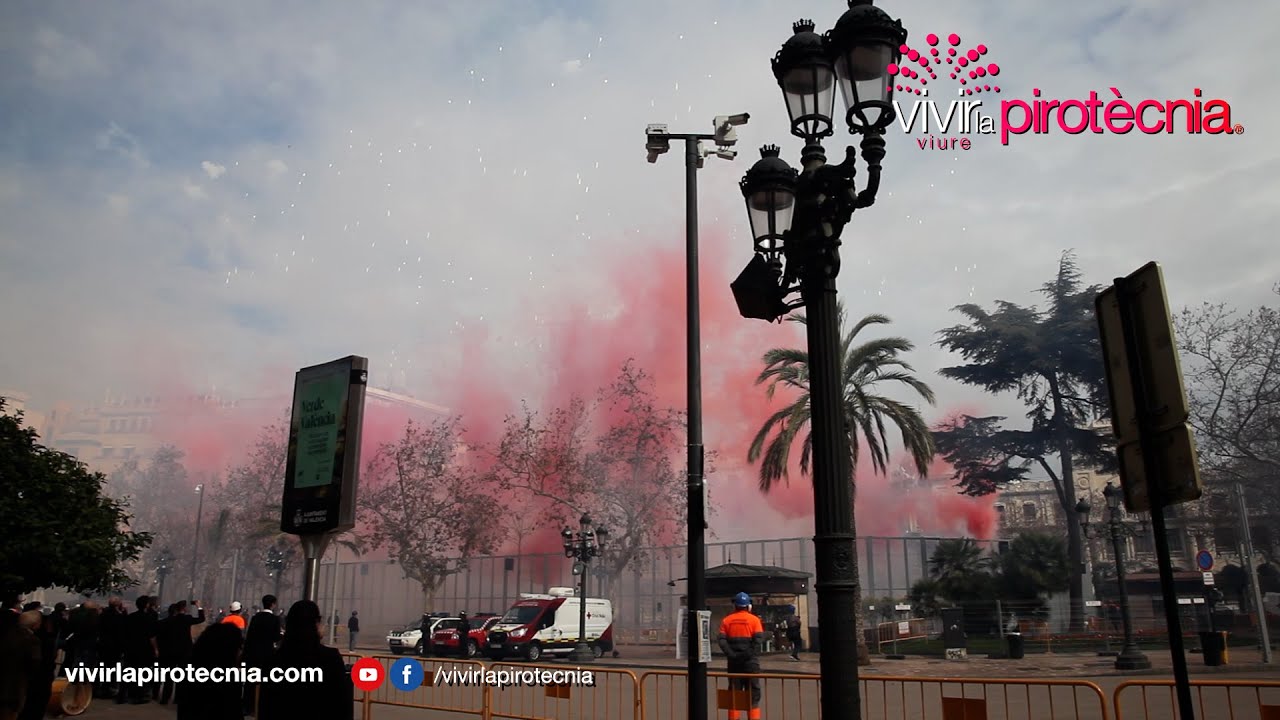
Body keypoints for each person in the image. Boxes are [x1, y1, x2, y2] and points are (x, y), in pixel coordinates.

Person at [257, 600, 353, 720]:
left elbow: (266, 707)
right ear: (316, 623)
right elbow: (341, 705)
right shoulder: (330, 658)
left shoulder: (274, 660)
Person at [176, 622, 244, 720]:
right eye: (238, 648)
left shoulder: (188, 670)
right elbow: (233, 712)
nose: (240, 652)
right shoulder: (228, 678)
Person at [717, 592, 766, 720]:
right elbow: (758, 642)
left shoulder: (726, 620)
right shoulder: (755, 620)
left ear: (735, 606)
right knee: (753, 696)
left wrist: (732, 654)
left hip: (733, 664)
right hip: (751, 663)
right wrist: (747, 655)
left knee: (734, 695)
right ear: (748, 606)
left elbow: (722, 641)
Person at [242, 595, 282, 715]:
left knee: (250, 681)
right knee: (265, 681)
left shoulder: (255, 618)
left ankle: (247, 707)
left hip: (253, 653)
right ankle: (260, 707)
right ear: (273, 604)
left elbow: (250, 636)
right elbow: (275, 637)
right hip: (267, 654)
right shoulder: (275, 619)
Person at [119, 596, 158, 704]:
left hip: (131, 648)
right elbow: (152, 636)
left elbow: (125, 633)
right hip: (144, 649)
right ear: (147, 605)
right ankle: (138, 696)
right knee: (142, 672)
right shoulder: (149, 618)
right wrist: (155, 649)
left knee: (128, 672)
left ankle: (123, 695)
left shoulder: (130, 617)